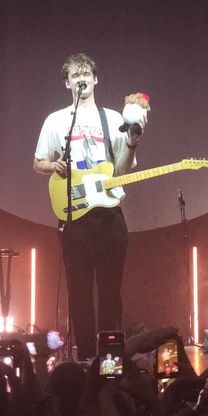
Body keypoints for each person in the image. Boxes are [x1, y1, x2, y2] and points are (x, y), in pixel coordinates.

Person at [33, 53, 147, 360]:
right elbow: (37, 161)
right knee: (79, 295)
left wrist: (133, 143)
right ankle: (84, 359)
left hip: (109, 217)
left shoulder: (112, 119)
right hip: (74, 218)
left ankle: (110, 362)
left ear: (96, 79)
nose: (81, 78)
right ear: (67, 82)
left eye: (86, 73)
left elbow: (122, 171)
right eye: (75, 75)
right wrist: (52, 164)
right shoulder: (56, 120)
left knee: (110, 294)